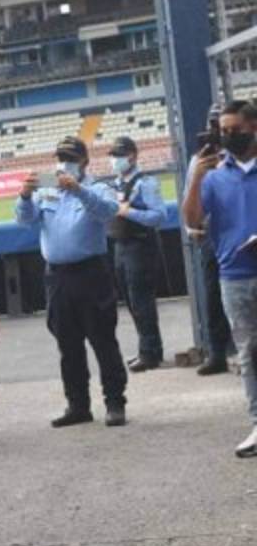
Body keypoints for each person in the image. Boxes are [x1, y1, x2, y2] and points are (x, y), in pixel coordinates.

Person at [16, 136, 128, 428]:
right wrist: (25, 196)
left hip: (91, 272)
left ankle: (115, 402)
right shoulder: (46, 192)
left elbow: (107, 211)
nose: (64, 164)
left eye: (71, 158)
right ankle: (78, 405)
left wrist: (79, 190)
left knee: (103, 340)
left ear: (84, 162)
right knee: (68, 344)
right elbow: (25, 220)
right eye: (60, 157)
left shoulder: (97, 188)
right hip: (58, 276)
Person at [181, 100, 257, 457]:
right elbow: (193, 221)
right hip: (234, 275)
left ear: (252, 127)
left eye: (234, 130)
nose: (227, 137)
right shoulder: (213, 175)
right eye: (223, 131)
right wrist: (196, 177)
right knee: (248, 353)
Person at [106, 136, 166, 372]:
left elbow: (159, 216)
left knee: (142, 300)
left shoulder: (146, 183)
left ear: (132, 155)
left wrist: (128, 212)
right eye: (112, 156)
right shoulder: (116, 184)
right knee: (131, 300)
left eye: (118, 155)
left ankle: (150, 352)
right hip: (121, 245)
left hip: (141, 244)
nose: (114, 160)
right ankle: (147, 348)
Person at [183, 139, 235, 376]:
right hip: (208, 235)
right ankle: (217, 353)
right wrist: (189, 228)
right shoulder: (199, 160)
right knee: (212, 297)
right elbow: (189, 200)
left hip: (237, 233)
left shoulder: (239, 158)